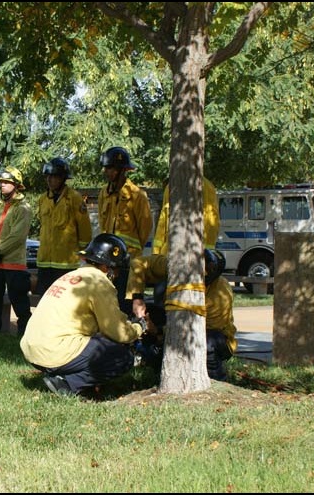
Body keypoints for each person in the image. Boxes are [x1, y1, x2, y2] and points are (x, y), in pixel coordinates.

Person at [20, 233, 147, 398]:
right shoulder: (99, 283)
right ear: (107, 267)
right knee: (121, 357)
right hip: (55, 351)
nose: (116, 275)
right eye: (116, 269)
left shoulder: (71, 276)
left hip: (32, 348)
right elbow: (118, 332)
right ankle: (67, 383)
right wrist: (139, 327)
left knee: (100, 341)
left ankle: (64, 376)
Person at [128, 248, 237, 380]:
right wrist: (137, 298)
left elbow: (197, 331)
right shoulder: (174, 264)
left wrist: (158, 331)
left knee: (207, 343)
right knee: (144, 313)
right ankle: (151, 361)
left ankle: (216, 379)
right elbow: (138, 263)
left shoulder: (220, 295)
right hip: (175, 321)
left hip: (212, 335)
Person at [97, 146, 153, 309]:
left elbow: (145, 227)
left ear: (122, 170)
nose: (107, 172)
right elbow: (102, 223)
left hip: (129, 260)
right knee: (107, 300)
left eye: (111, 168)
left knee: (124, 302)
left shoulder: (137, 195)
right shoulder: (103, 194)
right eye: (106, 168)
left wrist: (131, 252)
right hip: (108, 259)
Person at [149, 175, 220, 303]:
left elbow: (212, 223)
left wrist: (205, 256)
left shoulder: (205, 187)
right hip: (172, 258)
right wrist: (156, 255)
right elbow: (163, 222)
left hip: (187, 259)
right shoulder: (172, 187)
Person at [0, 167, 33, 335]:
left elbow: (18, 235)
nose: (3, 185)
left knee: (19, 300)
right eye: (1, 182)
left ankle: (24, 331)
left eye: (7, 182)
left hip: (14, 264)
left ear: (17, 185)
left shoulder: (23, 208)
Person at [34, 157, 93, 296]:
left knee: (65, 302)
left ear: (63, 178)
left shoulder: (74, 198)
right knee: (44, 302)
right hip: (44, 263)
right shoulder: (43, 199)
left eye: (54, 177)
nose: (49, 180)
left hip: (67, 264)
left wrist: (82, 255)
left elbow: (85, 230)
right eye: (47, 176)